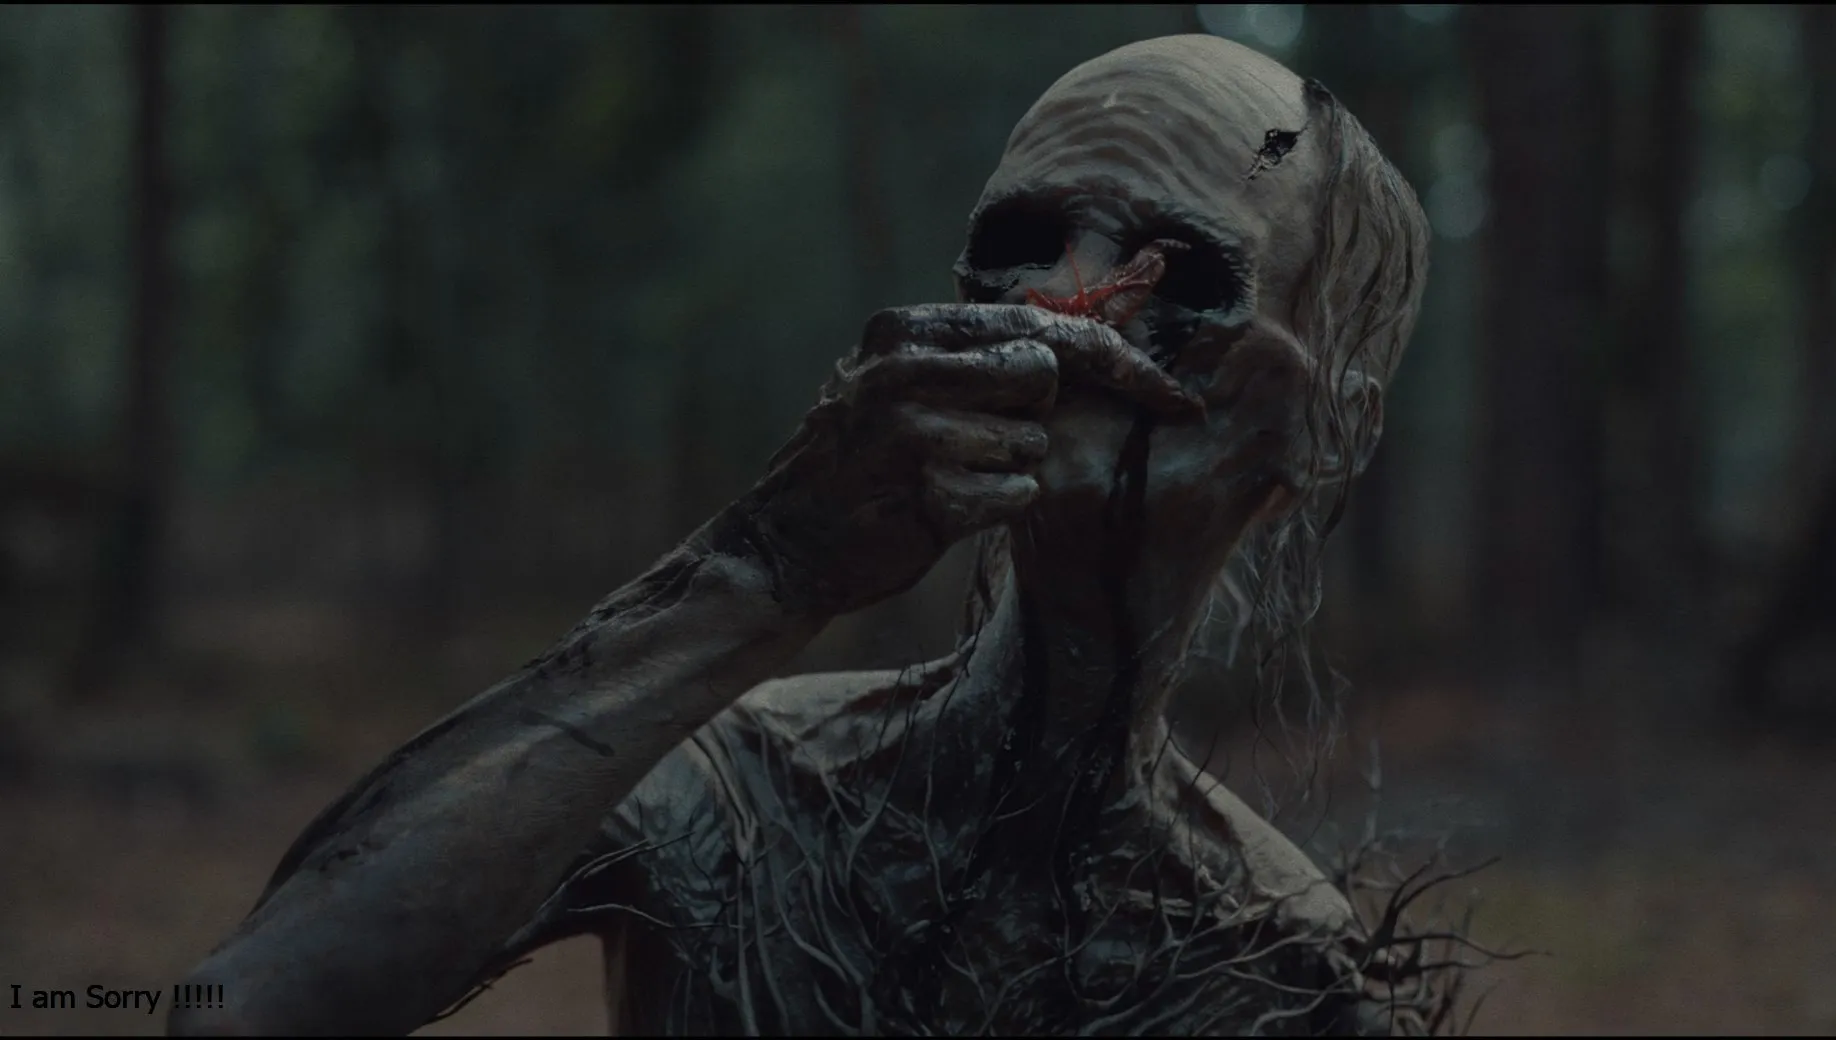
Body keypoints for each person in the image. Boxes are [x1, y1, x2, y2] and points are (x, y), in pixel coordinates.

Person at [171, 33, 1434, 1036]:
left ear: (1321, 425)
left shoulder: (1279, 966)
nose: (1058, 302)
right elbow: (248, 1004)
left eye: (1182, 273)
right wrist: (763, 567)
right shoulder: (736, 789)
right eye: (1019, 244)